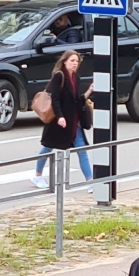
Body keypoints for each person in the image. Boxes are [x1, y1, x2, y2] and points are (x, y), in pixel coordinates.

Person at [33, 50, 91, 189]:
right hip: (58, 121)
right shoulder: (59, 76)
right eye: (72, 61)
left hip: (73, 122)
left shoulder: (75, 77)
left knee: (82, 150)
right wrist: (60, 116)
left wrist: (89, 91)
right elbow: (55, 98)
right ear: (64, 61)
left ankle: (90, 181)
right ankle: (37, 175)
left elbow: (76, 100)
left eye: (77, 61)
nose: (75, 64)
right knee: (47, 147)